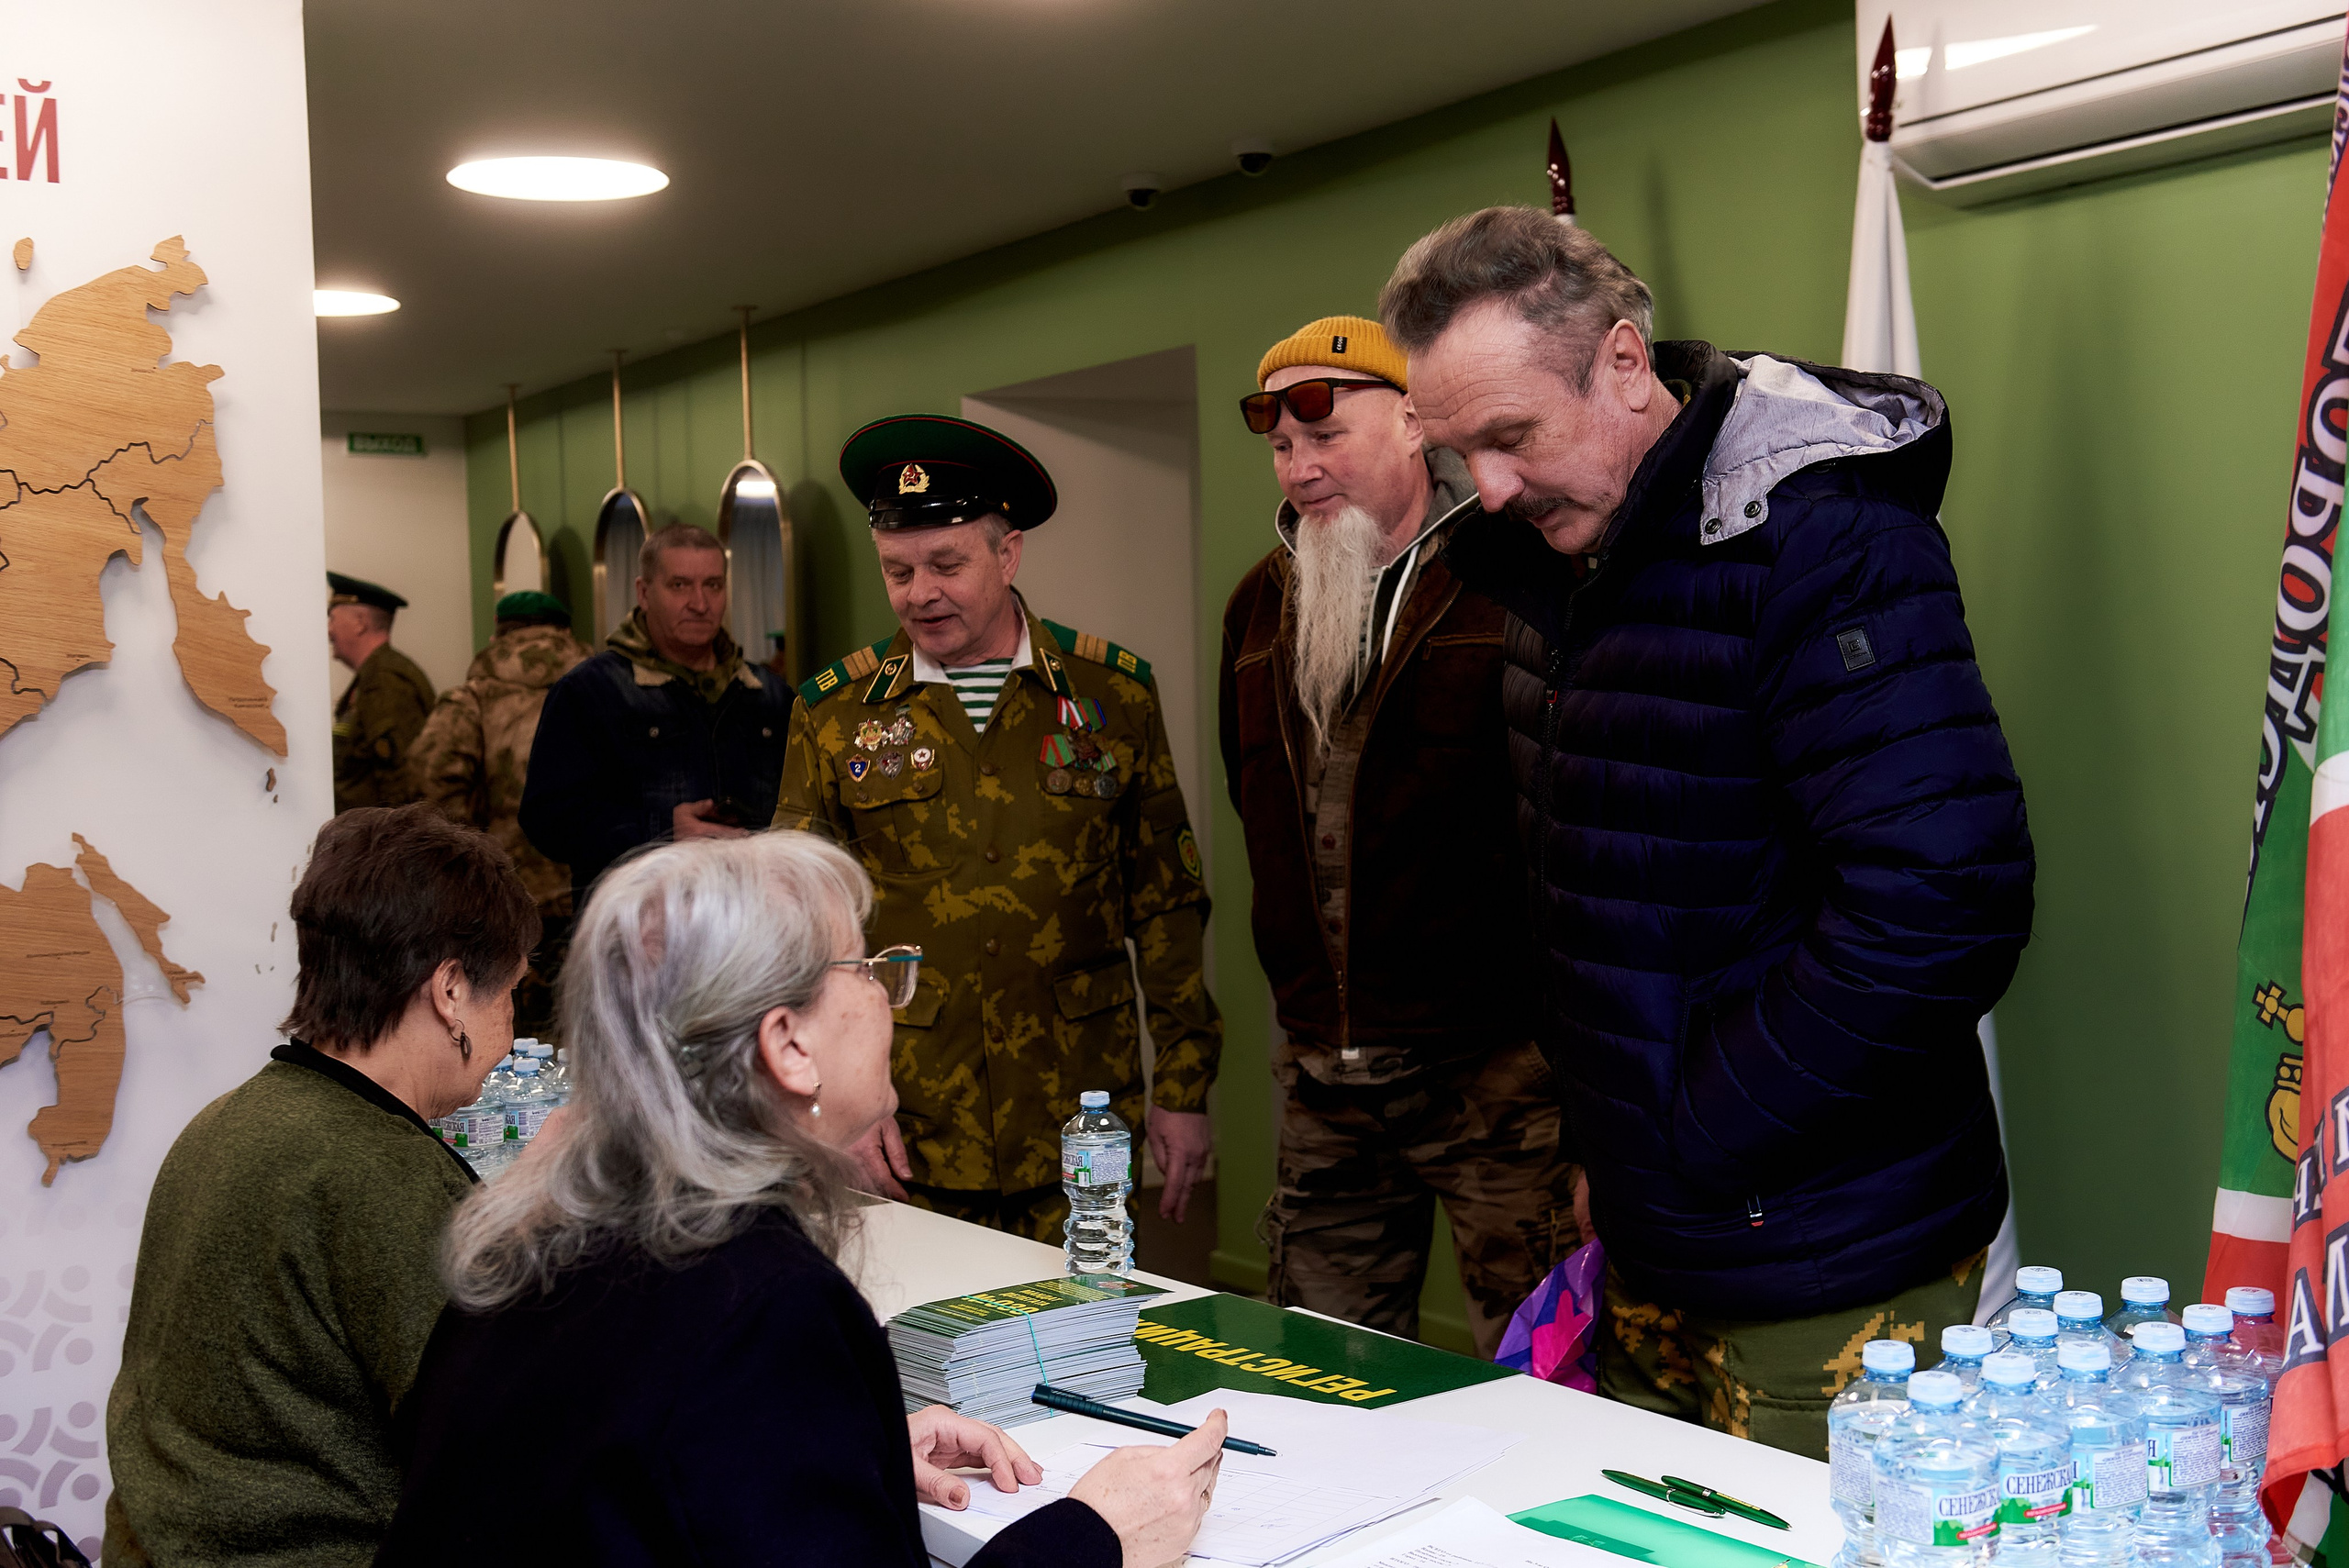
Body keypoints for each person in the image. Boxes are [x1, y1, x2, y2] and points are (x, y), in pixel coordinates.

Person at [1380, 207, 2034, 1455]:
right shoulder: (1553, 567)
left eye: (1512, 437)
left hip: (1831, 1259)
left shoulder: (1825, 540)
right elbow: (1608, 905)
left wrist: (1693, 1126)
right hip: (1653, 1227)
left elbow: (1943, 899)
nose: (1493, 489)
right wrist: (1619, 1146)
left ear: (1625, 364)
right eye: (1465, 456)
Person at [378, 832, 1223, 1566]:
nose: (892, 997)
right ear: (787, 1044)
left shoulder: (536, 1239)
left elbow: (628, 1475)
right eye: (866, 968)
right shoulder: (765, 1309)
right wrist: (1098, 1531)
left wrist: (852, 1451)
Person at [1221, 316, 1575, 1358]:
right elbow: (1260, 818)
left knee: (1540, 1372)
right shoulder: (1255, 605)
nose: (1300, 466)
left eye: (1324, 436)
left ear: (1415, 422)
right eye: (1282, 447)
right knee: (1321, 1371)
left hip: (1496, 1075)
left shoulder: (1517, 578)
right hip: (1322, 1080)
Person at [776, 415, 1220, 1241]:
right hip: (908, 1118)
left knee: (1086, 1347)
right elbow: (799, 931)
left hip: (1081, 1119)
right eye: (898, 570)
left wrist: (1185, 1087)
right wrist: (831, 1101)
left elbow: (1166, 903)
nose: (921, 592)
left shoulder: (1112, 695)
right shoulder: (833, 712)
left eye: (947, 564)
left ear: (1008, 554)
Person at [104, 806, 538, 1565]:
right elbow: (507, 1460)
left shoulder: (220, 1124)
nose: (510, 1025)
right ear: (450, 990)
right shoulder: (384, 1178)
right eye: (509, 994)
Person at [519, 521, 796, 909]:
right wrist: (659, 829)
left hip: (751, 919)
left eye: (713, 586)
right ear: (644, 593)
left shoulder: (768, 693)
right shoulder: (590, 692)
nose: (700, 604)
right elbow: (547, 819)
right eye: (680, 585)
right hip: (636, 926)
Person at [410, 589, 593, 1038]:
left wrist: (476, 859)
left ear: (498, 634)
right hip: (601, 894)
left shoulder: (474, 700)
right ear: (566, 633)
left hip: (507, 904)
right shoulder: (608, 692)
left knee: (515, 1045)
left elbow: (429, 783)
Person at [328, 571, 434, 814]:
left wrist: (390, 844)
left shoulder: (386, 681)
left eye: (332, 618)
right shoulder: (372, 677)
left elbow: (399, 781)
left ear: (360, 623)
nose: (328, 630)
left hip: (379, 841)